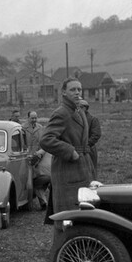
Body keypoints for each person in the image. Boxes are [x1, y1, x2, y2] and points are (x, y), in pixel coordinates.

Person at [39, 78, 95, 225]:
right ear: (63, 92)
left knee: (84, 213)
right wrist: (70, 151)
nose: (77, 93)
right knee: (68, 218)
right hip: (68, 171)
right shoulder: (62, 113)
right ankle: (65, 247)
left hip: (83, 168)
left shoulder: (78, 111)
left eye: (79, 89)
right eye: (73, 90)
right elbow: (46, 139)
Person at [78, 100, 102, 179]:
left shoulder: (92, 119)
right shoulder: (76, 119)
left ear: (86, 108)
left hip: (89, 149)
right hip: (77, 149)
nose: (79, 109)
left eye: (81, 107)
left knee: (91, 171)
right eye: (78, 107)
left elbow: (96, 134)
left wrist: (87, 144)